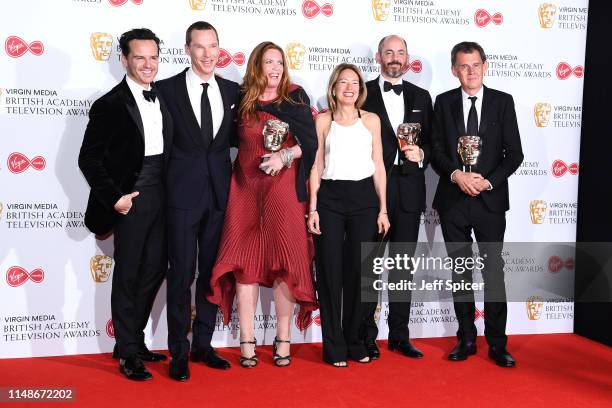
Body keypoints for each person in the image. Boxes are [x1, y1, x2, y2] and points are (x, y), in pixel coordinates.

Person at [207, 41, 318, 368]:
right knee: (244, 263)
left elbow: (311, 143)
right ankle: (247, 339)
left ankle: (283, 338)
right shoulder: (241, 98)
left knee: (284, 261)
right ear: (256, 66)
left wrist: (286, 154)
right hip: (244, 189)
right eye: (269, 62)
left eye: (279, 63)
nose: (275, 68)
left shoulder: (295, 96)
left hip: (283, 189)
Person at [78, 28, 172, 381]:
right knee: (129, 272)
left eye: (153, 57)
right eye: (139, 57)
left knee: (156, 268)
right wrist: (114, 197)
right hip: (130, 197)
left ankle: (131, 338)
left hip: (164, 193)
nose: (147, 64)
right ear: (123, 59)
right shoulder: (109, 104)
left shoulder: (164, 96)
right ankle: (129, 351)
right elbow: (88, 159)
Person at [430, 41, 523, 367]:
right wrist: (457, 174)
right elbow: (436, 150)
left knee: (493, 274)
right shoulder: (442, 103)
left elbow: (515, 154)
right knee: (460, 272)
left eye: (475, 65)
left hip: (490, 201)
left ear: (485, 66)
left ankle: (497, 344)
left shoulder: (502, 102)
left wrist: (488, 181)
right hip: (454, 200)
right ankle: (466, 338)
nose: (470, 72)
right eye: (463, 66)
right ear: (454, 69)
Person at [156, 21, 240, 381]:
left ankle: (203, 345)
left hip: (221, 197)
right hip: (180, 196)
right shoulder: (165, 89)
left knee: (211, 274)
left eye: (214, 47)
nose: (208, 54)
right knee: (181, 276)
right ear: (188, 49)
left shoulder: (234, 90)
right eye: (200, 47)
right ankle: (179, 351)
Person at [308, 63, 390, 367]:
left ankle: (356, 342)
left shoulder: (371, 121)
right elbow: (316, 166)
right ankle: (334, 347)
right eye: (342, 82)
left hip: (364, 200)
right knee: (330, 275)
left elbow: (379, 165)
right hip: (329, 199)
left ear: (360, 88)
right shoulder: (323, 121)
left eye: (354, 82)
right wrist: (313, 207)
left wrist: (383, 208)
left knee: (360, 275)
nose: (348, 87)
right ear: (333, 87)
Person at [360, 34, 433, 360]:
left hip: (409, 192)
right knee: (369, 268)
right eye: (388, 52)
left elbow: (435, 142)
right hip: (372, 193)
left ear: (407, 58)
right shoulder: (362, 93)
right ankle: (366, 336)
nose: (394, 57)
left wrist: (423, 154)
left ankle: (400, 336)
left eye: (400, 52)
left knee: (403, 267)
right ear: (378, 57)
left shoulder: (422, 96)